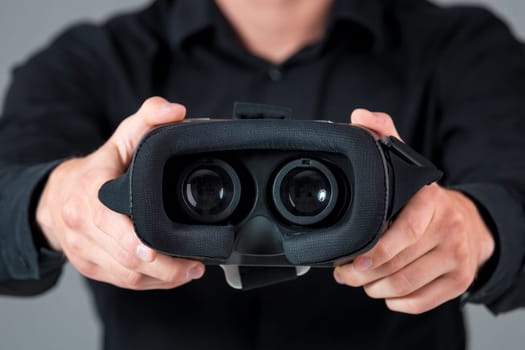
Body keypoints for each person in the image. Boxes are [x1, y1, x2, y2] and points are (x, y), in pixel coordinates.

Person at [0, 0, 524, 348]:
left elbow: (512, 187)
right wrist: (55, 203)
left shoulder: (462, 48)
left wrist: (476, 230)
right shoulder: (92, 61)